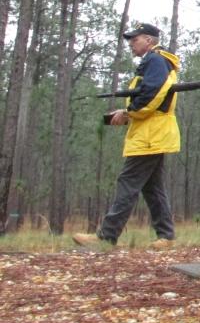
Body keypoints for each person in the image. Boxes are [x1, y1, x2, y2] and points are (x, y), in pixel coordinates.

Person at [73, 22, 181, 249]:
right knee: (153, 187)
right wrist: (128, 113)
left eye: (135, 39)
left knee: (128, 182)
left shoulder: (155, 60)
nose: (131, 44)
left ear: (149, 40)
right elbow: (149, 95)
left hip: (151, 135)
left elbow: (154, 93)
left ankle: (106, 237)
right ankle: (166, 236)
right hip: (152, 133)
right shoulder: (154, 61)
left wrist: (129, 112)